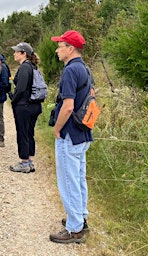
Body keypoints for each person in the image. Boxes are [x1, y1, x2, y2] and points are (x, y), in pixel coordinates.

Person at [49, 30, 93, 244]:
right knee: (78, 178)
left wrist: (57, 129)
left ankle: (74, 228)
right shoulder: (85, 68)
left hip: (69, 133)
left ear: (70, 48)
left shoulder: (69, 71)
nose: (57, 49)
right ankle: (80, 218)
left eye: (60, 45)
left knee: (68, 181)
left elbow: (68, 107)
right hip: (82, 133)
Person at [8, 42, 43, 173]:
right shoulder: (33, 67)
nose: (14, 54)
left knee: (22, 133)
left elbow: (21, 88)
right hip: (35, 105)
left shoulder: (24, 67)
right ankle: (30, 162)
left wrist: (13, 101)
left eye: (17, 51)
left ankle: (24, 163)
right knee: (29, 133)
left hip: (24, 106)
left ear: (23, 54)